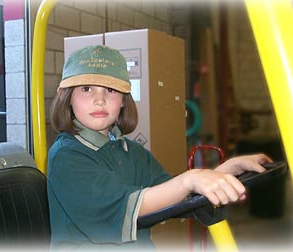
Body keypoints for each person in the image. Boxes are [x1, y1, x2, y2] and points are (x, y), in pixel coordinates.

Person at [47, 45, 272, 251]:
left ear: (124, 100)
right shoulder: (67, 156)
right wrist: (191, 178)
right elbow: (125, 207)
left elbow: (172, 194)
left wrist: (224, 171)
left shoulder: (131, 152)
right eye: (86, 89)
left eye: (111, 90)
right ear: (66, 97)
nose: (99, 100)